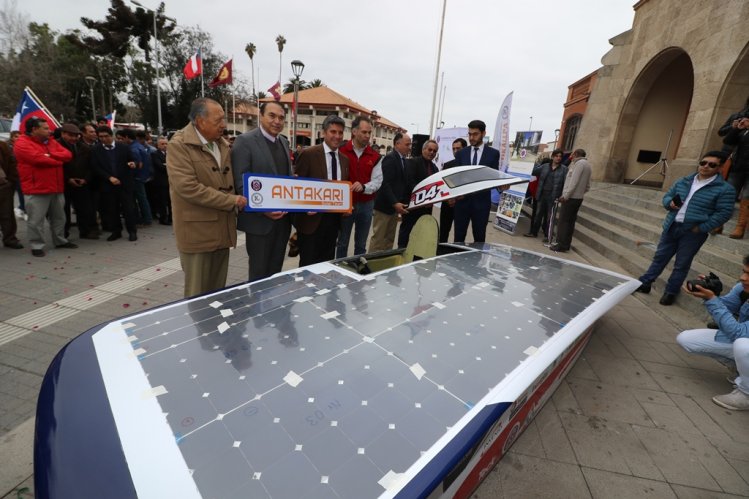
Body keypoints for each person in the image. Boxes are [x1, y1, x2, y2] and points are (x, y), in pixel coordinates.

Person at [168, 98, 247, 298]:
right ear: (200, 120)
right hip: (198, 234)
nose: (224, 125)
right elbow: (188, 187)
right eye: (218, 120)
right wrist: (231, 201)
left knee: (216, 294)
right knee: (197, 295)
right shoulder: (179, 145)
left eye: (224, 119)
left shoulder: (222, 145)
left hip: (222, 231)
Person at [635, 151, 735, 305]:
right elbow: (667, 196)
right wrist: (670, 203)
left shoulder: (725, 189)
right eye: (703, 163)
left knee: (681, 264)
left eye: (712, 164)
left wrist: (702, 228)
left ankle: (670, 292)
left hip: (693, 232)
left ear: (720, 167)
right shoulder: (684, 181)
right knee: (659, 257)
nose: (706, 166)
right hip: (672, 225)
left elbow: (724, 213)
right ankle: (645, 283)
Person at [677, 255, 749, 410]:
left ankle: (746, 394)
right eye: (744, 272)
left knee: (743, 346)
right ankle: (741, 370)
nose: (743, 278)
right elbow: (725, 307)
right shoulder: (742, 288)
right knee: (687, 339)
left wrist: (712, 300)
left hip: (744, 339)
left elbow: (739, 333)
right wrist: (711, 293)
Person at [231, 101, 293, 281]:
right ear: (261, 116)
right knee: (259, 274)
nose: (277, 121)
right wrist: (262, 208)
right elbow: (240, 182)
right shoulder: (245, 141)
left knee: (275, 274)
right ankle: (257, 308)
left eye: (281, 118)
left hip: (282, 223)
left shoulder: (284, 142)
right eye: (272, 116)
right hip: (259, 222)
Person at [14, 117, 77, 257]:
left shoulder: (51, 142)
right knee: (36, 220)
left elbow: (67, 155)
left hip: (56, 187)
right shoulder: (22, 143)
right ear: (34, 129)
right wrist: (57, 161)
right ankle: (36, 245)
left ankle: (60, 240)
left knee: (59, 218)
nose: (50, 130)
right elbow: (37, 159)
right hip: (37, 189)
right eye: (46, 128)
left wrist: (51, 154)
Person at [294, 115, 349, 266]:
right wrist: (305, 206)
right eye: (333, 132)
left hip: (334, 223)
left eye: (340, 132)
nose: (337, 136)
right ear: (323, 133)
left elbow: (343, 189)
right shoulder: (308, 154)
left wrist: (347, 205)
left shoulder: (345, 160)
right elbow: (296, 188)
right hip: (311, 223)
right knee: (308, 267)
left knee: (326, 266)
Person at [336, 116, 382, 258]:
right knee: (342, 242)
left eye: (369, 133)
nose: (367, 136)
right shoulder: (340, 150)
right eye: (364, 132)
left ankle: (358, 269)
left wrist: (363, 187)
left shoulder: (375, 156)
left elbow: (377, 181)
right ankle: (340, 270)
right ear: (354, 132)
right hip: (345, 204)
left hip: (366, 204)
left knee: (361, 244)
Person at [453, 119, 500, 243]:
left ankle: (478, 262)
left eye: (475, 134)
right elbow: (455, 178)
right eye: (470, 134)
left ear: (483, 133)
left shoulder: (493, 154)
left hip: (481, 205)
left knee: (479, 238)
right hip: (462, 204)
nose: (471, 137)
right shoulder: (461, 154)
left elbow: (494, 177)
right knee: (458, 237)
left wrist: (501, 186)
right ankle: (455, 260)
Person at [90, 125, 139, 242]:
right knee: (112, 210)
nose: (103, 139)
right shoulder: (96, 150)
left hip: (124, 183)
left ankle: (132, 231)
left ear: (111, 135)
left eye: (106, 136)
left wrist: (133, 163)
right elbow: (95, 167)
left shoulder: (123, 147)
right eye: (100, 137)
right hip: (108, 185)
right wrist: (108, 177)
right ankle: (116, 231)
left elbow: (132, 159)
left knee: (128, 209)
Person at [370, 132, 412, 252]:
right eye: (407, 144)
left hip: (394, 208)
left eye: (410, 144)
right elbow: (385, 184)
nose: (409, 147)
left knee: (389, 239)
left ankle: (384, 262)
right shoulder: (390, 158)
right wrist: (395, 203)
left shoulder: (403, 160)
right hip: (384, 207)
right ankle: (372, 265)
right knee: (378, 239)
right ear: (397, 144)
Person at [57, 123, 97, 240]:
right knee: (63, 211)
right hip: (64, 183)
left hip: (81, 183)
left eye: (76, 136)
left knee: (84, 208)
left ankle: (85, 231)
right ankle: (63, 233)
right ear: (63, 134)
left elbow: (90, 166)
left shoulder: (84, 147)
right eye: (70, 135)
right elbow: (57, 167)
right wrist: (68, 179)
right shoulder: (55, 145)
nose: (74, 138)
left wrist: (86, 179)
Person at [550, 148, 592, 253]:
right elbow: (587, 186)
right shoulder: (587, 165)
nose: (571, 157)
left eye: (572, 155)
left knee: (563, 222)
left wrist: (566, 196)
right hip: (578, 198)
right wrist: (581, 193)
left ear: (576, 154)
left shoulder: (579, 164)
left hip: (571, 198)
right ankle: (566, 244)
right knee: (570, 223)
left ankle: (560, 244)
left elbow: (573, 182)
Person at [398, 139, 439, 247]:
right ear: (423, 149)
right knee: (406, 233)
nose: (432, 153)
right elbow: (410, 183)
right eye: (430, 150)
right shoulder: (412, 162)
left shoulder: (435, 168)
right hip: (412, 206)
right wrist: (424, 198)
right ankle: (401, 254)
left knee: (422, 234)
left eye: (434, 151)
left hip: (427, 209)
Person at [525, 149, 567, 242]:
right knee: (538, 215)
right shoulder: (544, 166)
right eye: (557, 156)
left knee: (550, 217)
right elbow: (533, 171)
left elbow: (565, 183)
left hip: (554, 196)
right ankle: (533, 232)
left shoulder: (564, 169)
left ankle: (548, 236)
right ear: (552, 157)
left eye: (560, 156)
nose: (558, 158)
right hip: (542, 194)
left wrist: (563, 194)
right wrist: (528, 160)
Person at [723, 115, 749, 238]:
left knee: (746, 198)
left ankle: (740, 227)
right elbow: (728, 141)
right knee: (729, 195)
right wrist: (735, 129)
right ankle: (720, 223)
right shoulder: (743, 131)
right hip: (737, 168)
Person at [439, 138, 467, 243]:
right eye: (453, 149)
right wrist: (448, 198)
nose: (455, 151)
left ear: (465, 149)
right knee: (443, 233)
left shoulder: (470, 166)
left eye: (458, 148)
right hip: (447, 205)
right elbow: (442, 185)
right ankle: (440, 254)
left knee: (459, 236)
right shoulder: (447, 165)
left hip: (463, 206)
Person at [0, 139, 22, 249]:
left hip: (3, 186)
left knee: (6, 213)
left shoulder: (2, 145)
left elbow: (12, 162)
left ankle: (9, 238)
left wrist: (11, 181)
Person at [151, 136, 171, 225]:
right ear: (158, 145)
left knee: (171, 201)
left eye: (166, 143)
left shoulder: (171, 153)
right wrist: (168, 165)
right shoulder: (155, 154)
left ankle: (171, 217)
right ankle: (163, 219)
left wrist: (167, 165)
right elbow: (160, 167)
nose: (165, 145)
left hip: (170, 181)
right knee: (162, 201)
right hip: (160, 182)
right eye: (162, 144)